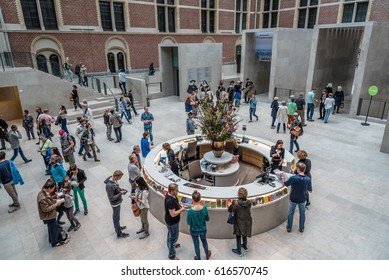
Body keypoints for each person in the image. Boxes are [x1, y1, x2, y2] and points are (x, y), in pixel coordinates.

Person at [37, 178, 69, 247]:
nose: (53, 190)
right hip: (48, 216)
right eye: (53, 188)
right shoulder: (42, 198)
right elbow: (46, 209)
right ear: (48, 188)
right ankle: (55, 242)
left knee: (51, 228)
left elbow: (49, 200)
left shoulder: (44, 192)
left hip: (50, 215)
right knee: (53, 229)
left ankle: (51, 240)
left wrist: (55, 199)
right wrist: (56, 204)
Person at [282, 162, 312, 233]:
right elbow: (310, 190)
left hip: (293, 198)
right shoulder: (308, 179)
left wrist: (283, 177)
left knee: (290, 213)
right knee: (302, 213)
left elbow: (285, 184)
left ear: (298, 169)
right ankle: (301, 228)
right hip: (302, 199)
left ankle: (289, 228)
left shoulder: (293, 178)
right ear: (304, 170)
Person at [186, 190, 211, 260]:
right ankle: (207, 254)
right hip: (203, 229)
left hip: (193, 230)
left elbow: (188, 222)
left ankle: (198, 258)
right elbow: (207, 219)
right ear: (200, 199)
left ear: (192, 199)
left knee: (196, 244)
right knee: (204, 242)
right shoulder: (204, 209)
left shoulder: (190, 211)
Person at [164, 183, 187, 260]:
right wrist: (181, 210)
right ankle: (172, 255)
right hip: (172, 222)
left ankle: (171, 246)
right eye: (177, 190)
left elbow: (176, 203)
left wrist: (180, 206)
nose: (178, 191)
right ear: (172, 191)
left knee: (170, 234)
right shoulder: (170, 201)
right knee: (173, 237)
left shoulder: (172, 196)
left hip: (171, 222)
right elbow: (173, 214)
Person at [104, 170, 130, 238]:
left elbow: (115, 188)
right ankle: (119, 233)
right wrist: (120, 193)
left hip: (118, 202)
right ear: (115, 176)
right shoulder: (109, 186)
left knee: (117, 217)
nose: (120, 179)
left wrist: (120, 189)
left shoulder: (114, 180)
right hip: (115, 204)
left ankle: (118, 227)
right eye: (119, 178)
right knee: (116, 218)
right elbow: (111, 198)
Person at [228, 187, 252, 257]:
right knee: (244, 234)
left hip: (239, 222)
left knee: (238, 236)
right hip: (247, 221)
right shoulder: (249, 202)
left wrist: (231, 204)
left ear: (238, 195)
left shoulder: (235, 203)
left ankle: (239, 251)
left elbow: (229, 210)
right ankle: (245, 246)